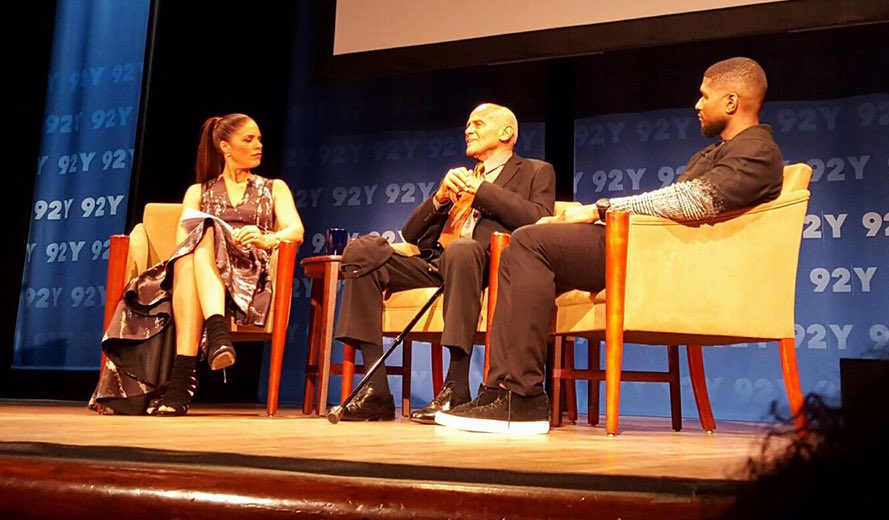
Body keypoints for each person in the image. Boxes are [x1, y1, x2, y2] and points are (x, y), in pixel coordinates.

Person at [436, 57, 784, 434]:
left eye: (704, 96)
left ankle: (521, 398)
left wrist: (600, 209)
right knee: (526, 243)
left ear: (731, 103)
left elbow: (692, 202)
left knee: (530, 242)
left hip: (658, 258)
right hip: (645, 247)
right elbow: (679, 200)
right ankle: (501, 391)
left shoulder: (757, 152)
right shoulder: (718, 151)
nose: (697, 105)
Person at [331, 103, 555, 422]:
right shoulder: (460, 179)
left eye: (478, 124)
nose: (468, 130)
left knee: (462, 250)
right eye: (467, 125)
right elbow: (410, 234)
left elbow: (539, 220)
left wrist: (483, 191)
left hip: (491, 265)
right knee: (363, 255)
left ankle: (456, 386)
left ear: (507, 133)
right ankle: (376, 391)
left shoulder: (535, 170)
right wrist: (439, 197)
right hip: (439, 263)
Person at [89, 113, 304, 415]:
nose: (259, 145)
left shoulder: (273, 188)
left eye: (259, 138)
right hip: (196, 271)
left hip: (248, 273)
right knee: (201, 236)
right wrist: (212, 234)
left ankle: (184, 377)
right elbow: (183, 243)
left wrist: (265, 238)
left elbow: (296, 230)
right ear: (225, 148)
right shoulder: (198, 192)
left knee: (201, 240)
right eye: (249, 139)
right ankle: (214, 338)